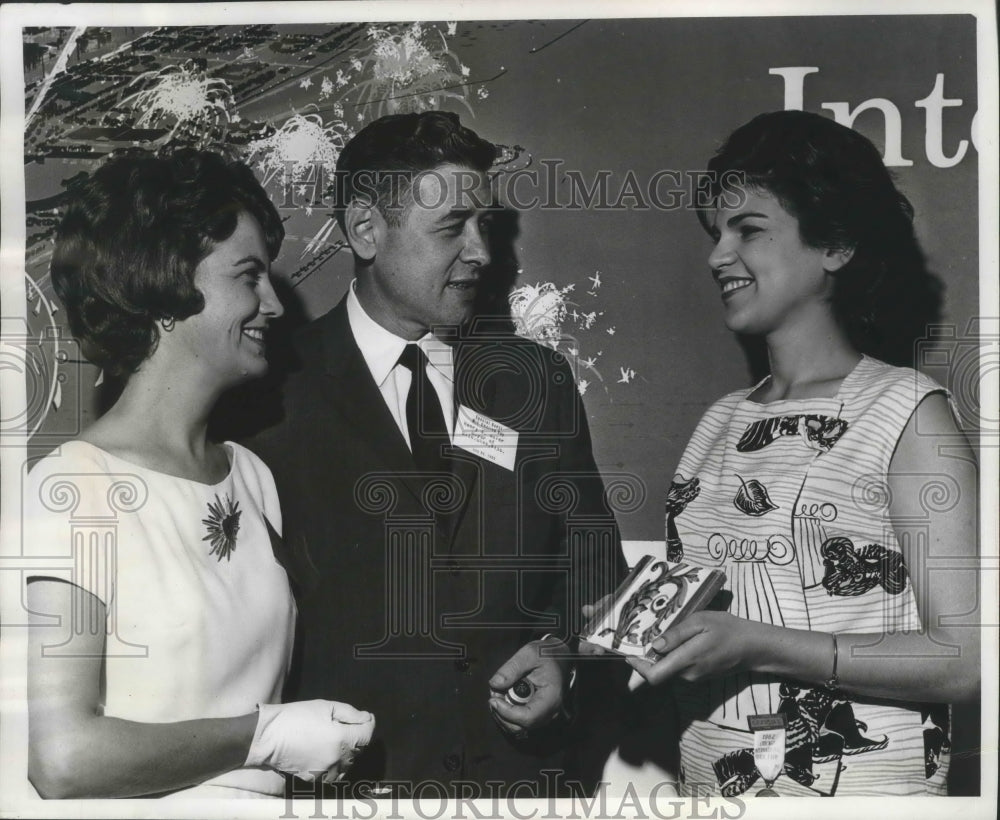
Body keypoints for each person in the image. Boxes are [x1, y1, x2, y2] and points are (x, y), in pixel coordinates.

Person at [244, 111, 626, 796]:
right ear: (365, 230)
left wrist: (564, 652)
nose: (480, 252)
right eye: (452, 228)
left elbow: (594, 561)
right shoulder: (266, 394)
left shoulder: (535, 382)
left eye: (485, 225)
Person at [623, 110, 979, 796]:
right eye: (716, 232)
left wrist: (761, 645)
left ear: (837, 245)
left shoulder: (908, 413)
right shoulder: (718, 423)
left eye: (748, 230)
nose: (716, 255)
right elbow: (720, 610)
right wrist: (635, 623)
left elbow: (967, 658)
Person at [24, 149, 374, 799]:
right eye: (248, 276)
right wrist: (264, 736)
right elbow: (62, 757)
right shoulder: (73, 488)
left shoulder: (255, 478)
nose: (273, 304)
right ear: (161, 284)